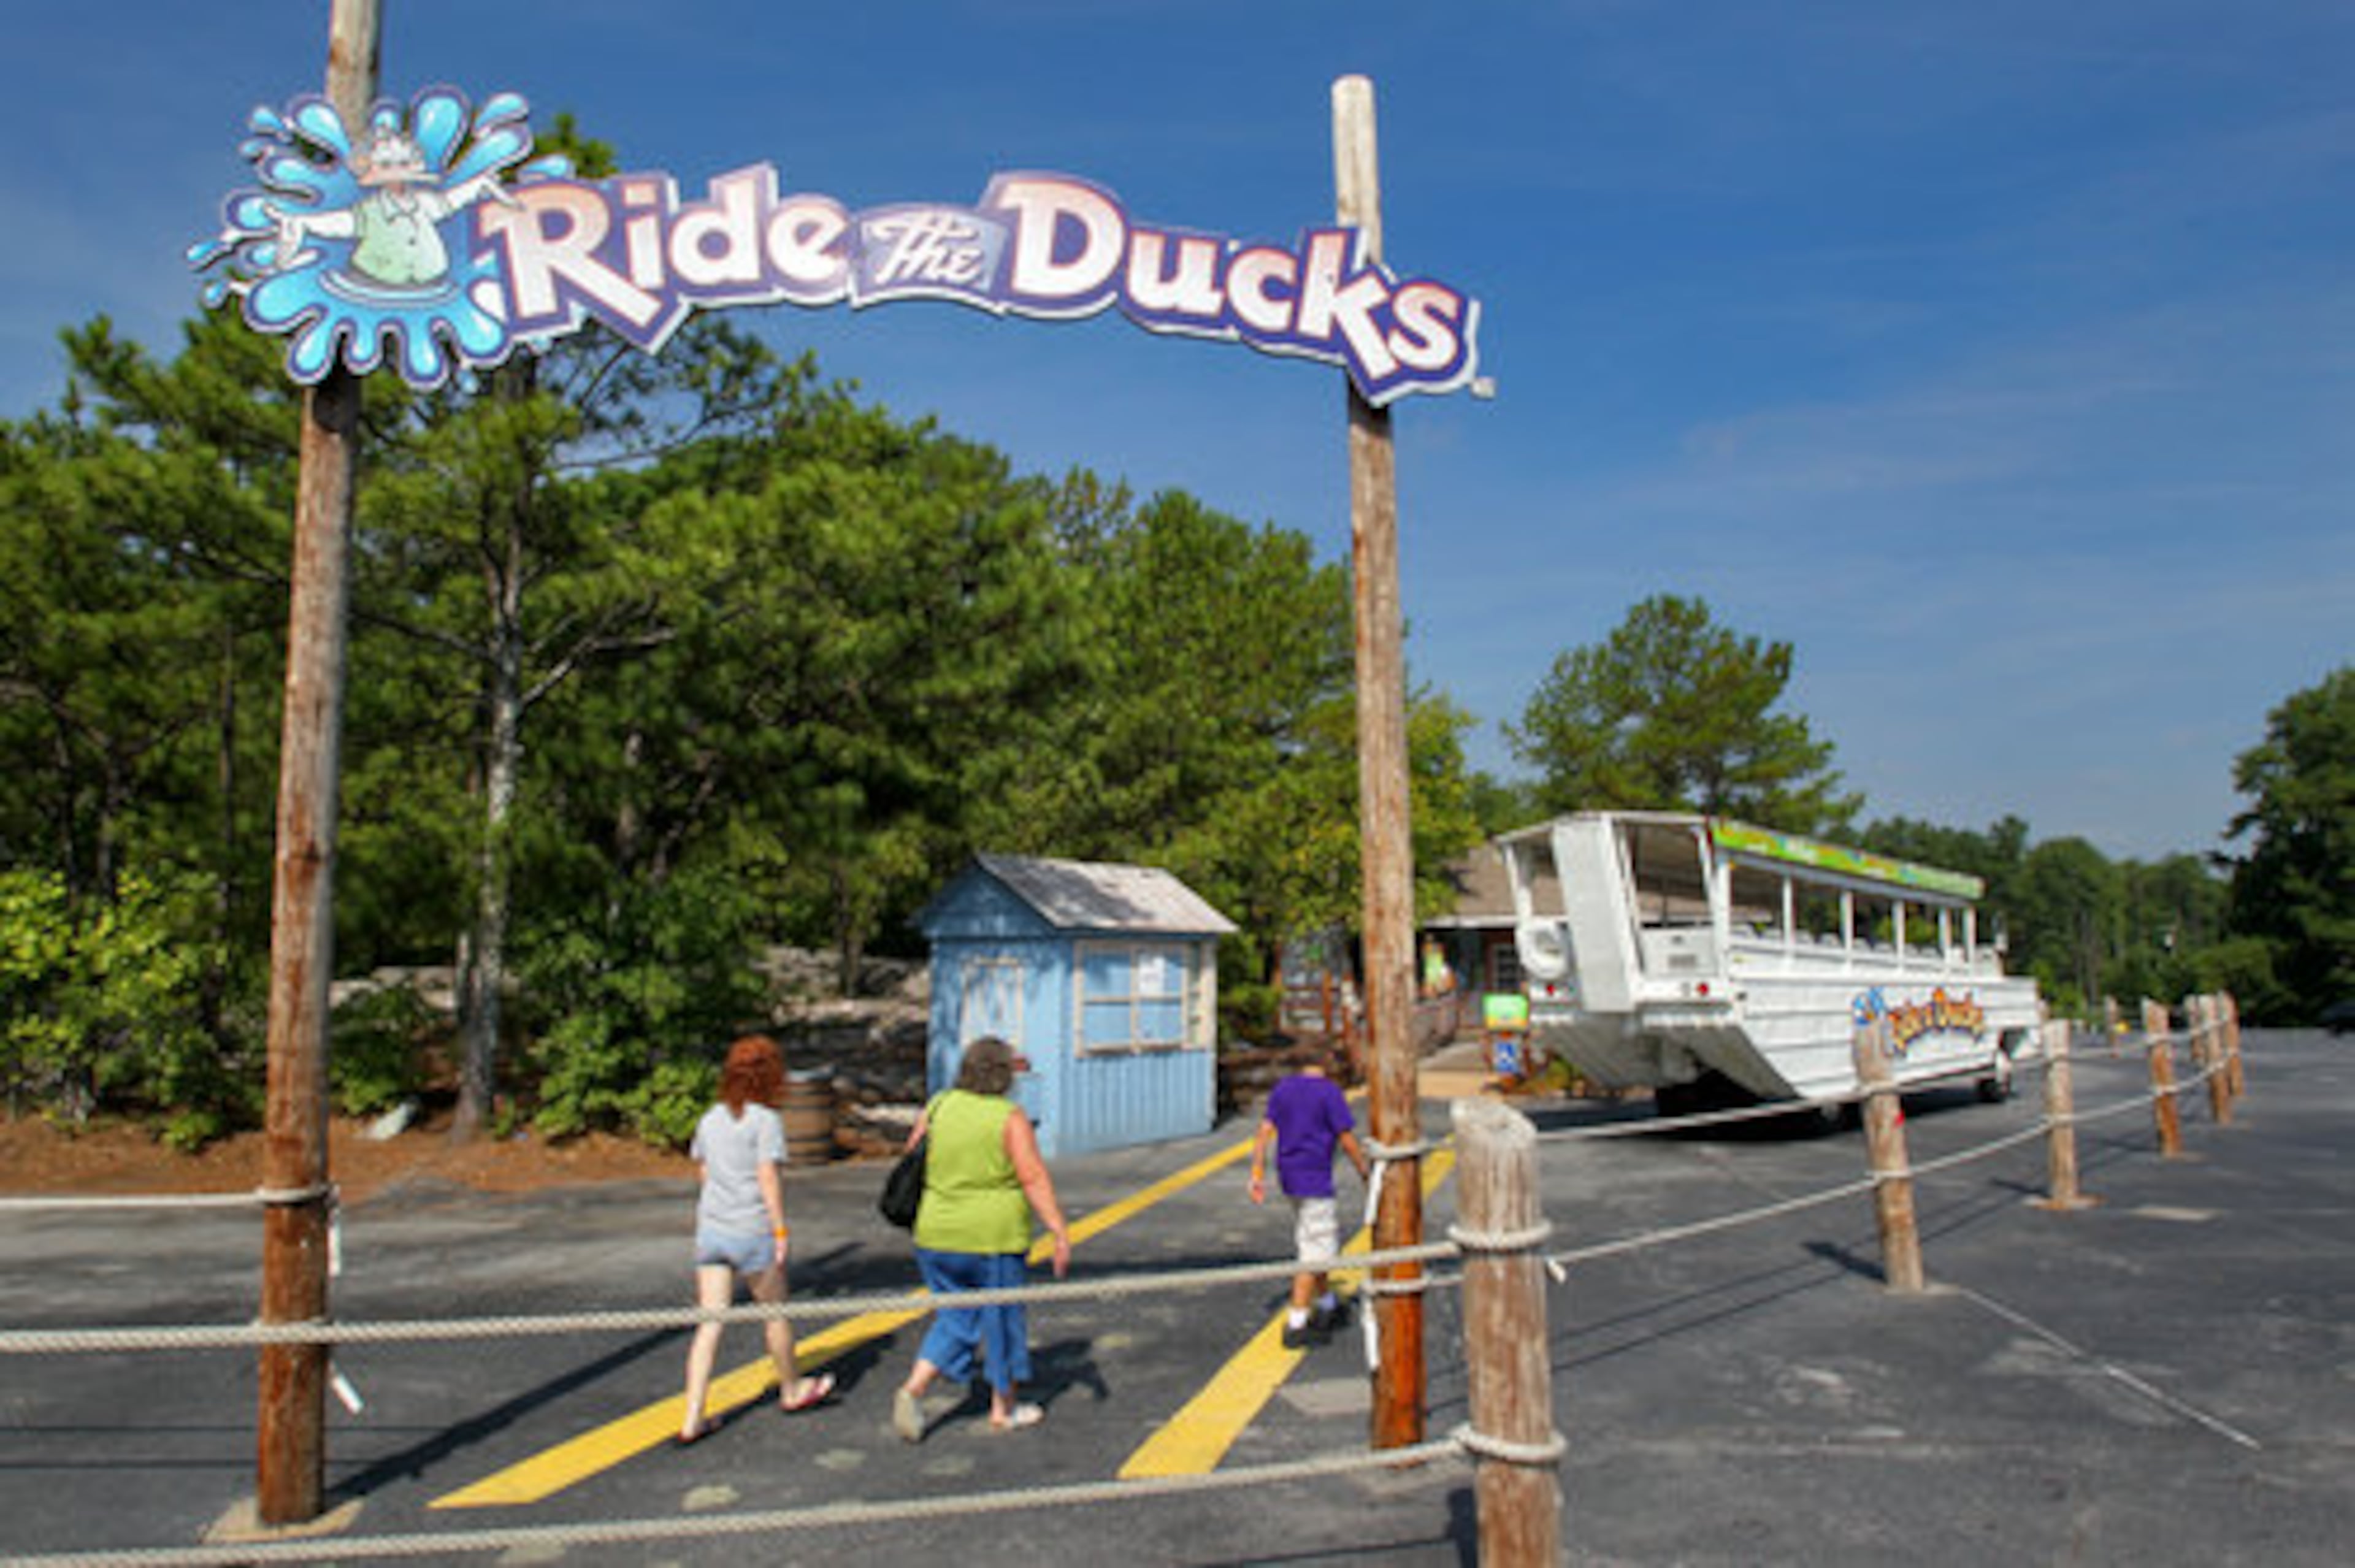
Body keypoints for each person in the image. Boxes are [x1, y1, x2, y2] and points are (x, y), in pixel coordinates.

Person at [893, 1036, 1071, 1441]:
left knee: (956, 1314)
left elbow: (912, 1155)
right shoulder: (1008, 1116)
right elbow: (1032, 1177)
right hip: (993, 1235)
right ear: (1004, 1075)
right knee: (1002, 1319)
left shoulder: (939, 1106)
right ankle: (1002, 1406)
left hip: (936, 1232)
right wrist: (1059, 1229)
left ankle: (915, 1385)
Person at [678, 1034, 835, 1445]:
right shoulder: (765, 1121)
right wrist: (780, 1229)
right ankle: (792, 1387)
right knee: (775, 1313)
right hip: (751, 1229)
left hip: (712, 1229)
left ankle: (693, 1413)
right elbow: (768, 1177)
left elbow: (705, 1172)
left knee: (709, 1322)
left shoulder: (710, 1118)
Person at [1248, 1049, 1372, 1348]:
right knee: (1316, 1250)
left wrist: (1257, 1173)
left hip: (1288, 1176)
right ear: (1329, 1065)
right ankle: (1298, 1321)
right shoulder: (1329, 1092)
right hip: (1315, 1178)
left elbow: (1265, 1131)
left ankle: (1327, 1302)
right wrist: (1365, 1172)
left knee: (1311, 1237)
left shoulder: (1283, 1088)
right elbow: (1346, 1137)